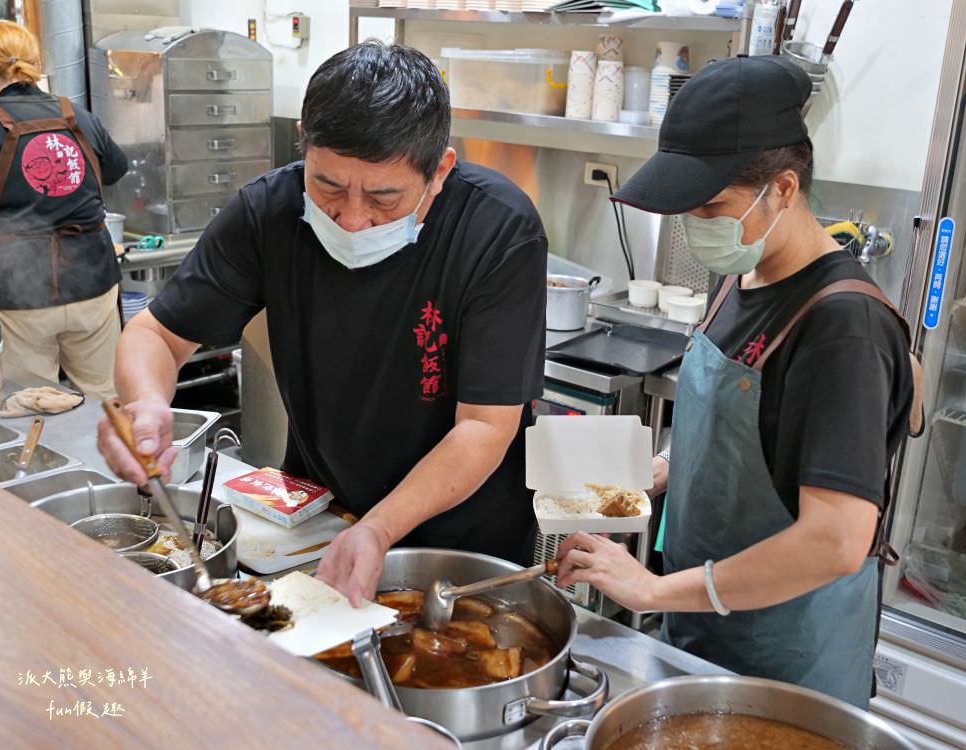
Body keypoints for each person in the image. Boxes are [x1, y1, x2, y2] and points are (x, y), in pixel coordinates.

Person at [97, 42, 548, 604]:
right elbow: (157, 334)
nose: (354, 219)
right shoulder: (270, 212)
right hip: (319, 516)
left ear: (440, 172)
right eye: (329, 186)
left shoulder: (497, 231)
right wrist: (145, 405)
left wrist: (380, 528)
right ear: (304, 149)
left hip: (460, 539)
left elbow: (484, 426)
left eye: (384, 197)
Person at [555, 55, 917, 708]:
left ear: (783, 188)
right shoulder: (741, 275)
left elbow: (835, 541)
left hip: (788, 669)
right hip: (704, 636)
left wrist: (653, 590)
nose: (698, 225)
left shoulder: (844, 326)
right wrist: (655, 469)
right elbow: (730, 435)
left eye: (712, 206)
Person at [0, 20, 128, 400]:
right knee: (108, 403)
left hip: (20, 297)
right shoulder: (79, 117)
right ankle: (113, 461)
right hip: (92, 285)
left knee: (33, 406)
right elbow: (116, 169)